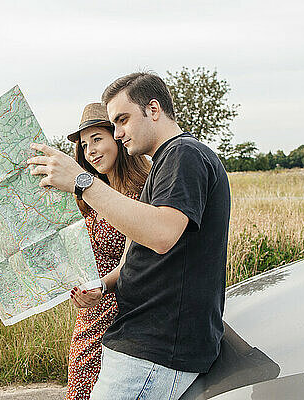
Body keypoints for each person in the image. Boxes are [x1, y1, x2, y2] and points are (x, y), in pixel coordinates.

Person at [28, 72, 231, 400]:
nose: (118, 133)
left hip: (155, 347)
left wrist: (82, 181)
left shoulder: (184, 154)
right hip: (141, 341)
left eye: (122, 120)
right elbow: (139, 251)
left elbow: (163, 234)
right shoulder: (168, 162)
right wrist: (102, 285)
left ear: (153, 109)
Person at [64, 103, 150, 400]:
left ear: (117, 137)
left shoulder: (138, 191)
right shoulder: (94, 195)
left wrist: (100, 287)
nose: (90, 151)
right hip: (91, 311)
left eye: (97, 139)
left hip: (123, 313)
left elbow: (131, 260)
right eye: (85, 145)